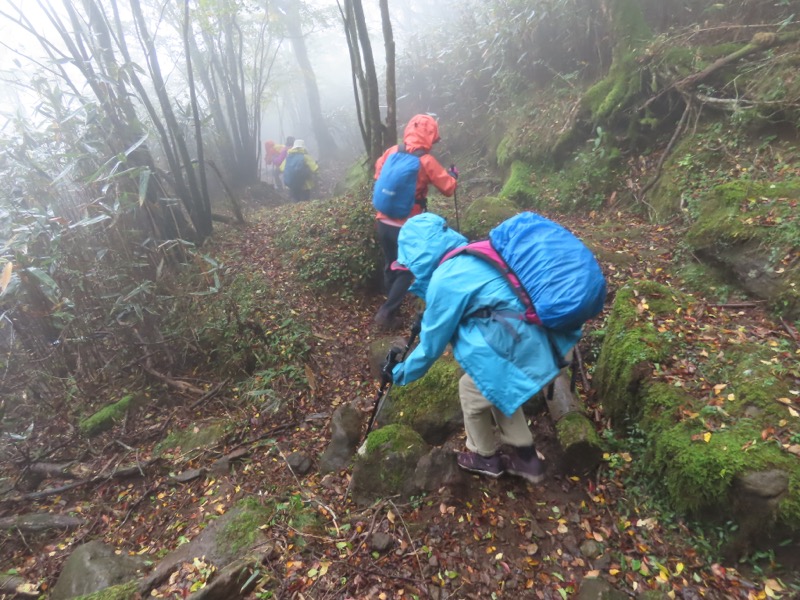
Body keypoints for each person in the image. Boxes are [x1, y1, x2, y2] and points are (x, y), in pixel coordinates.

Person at [385, 213, 581, 483]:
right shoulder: (472, 256)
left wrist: (400, 373)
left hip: (530, 350)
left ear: (418, 253)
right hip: (552, 339)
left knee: (470, 389)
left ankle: (484, 457)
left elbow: (431, 347)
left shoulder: (446, 278)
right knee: (492, 385)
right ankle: (528, 460)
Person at [373, 114, 457, 330]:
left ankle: (391, 309)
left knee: (390, 263)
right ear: (430, 136)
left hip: (382, 220)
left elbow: (377, 175)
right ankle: (386, 313)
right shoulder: (426, 161)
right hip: (406, 226)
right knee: (406, 269)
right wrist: (453, 176)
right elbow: (448, 188)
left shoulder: (392, 151)